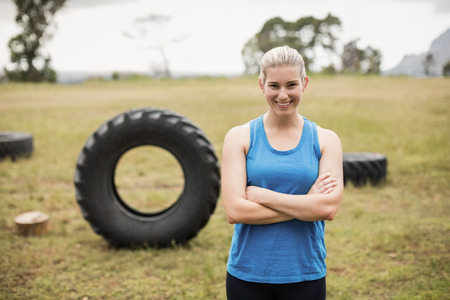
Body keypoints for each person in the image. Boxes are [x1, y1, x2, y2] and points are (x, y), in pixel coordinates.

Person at [221, 45, 344, 300]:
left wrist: (263, 196)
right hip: (247, 275)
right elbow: (235, 211)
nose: (283, 95)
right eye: (274, 86)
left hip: (305, 274)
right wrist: (307, 202)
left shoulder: (326, 140)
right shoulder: (239, 138)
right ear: (261, 84)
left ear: (304, 83)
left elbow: (327, 210)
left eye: (291, 85)